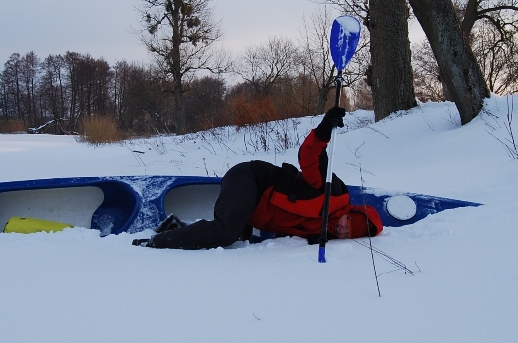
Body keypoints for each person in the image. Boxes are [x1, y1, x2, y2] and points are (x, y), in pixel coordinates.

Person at [133, 107, 383, 249]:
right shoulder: (333, 193)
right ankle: (156, 243)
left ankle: (174, 227)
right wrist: (323, 130)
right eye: (348, 223)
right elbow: (310, 157)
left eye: (348, 233)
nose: (343, 229)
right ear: (352, 212)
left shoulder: (323, 232)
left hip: (254, 210)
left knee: (237, 239)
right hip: (251, 180)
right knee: (225, 233)